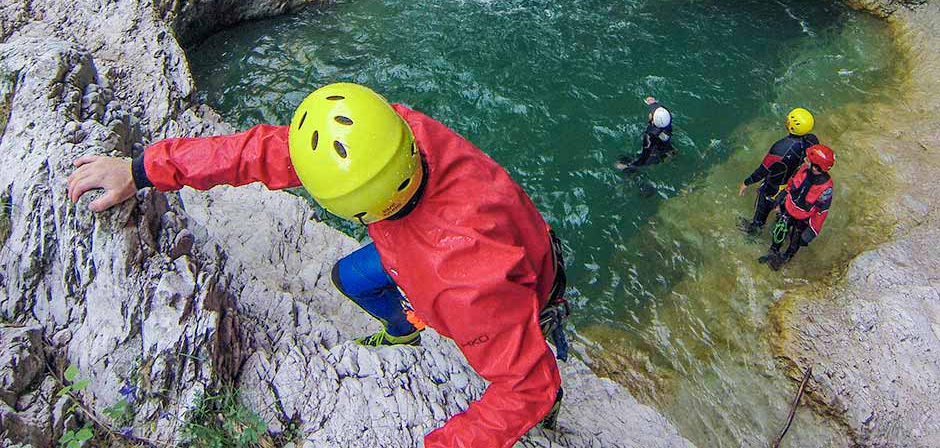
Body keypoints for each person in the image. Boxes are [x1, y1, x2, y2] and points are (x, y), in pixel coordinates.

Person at [67, 83, 570, 446]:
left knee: (532, 376)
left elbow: (527, 387)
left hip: (494, 274)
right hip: (438, 243)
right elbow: (258, 151)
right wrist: (142, 169)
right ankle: (404, 330)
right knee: (348, 277)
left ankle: (548, 391)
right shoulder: (388, 134)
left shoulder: (467, 287)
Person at [738, 107, 819, 234]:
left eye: (789, 119)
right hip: (792, 189)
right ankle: (778, 230)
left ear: (792, 126)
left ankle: (754, 231)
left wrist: (746, 182)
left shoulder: (780, 148)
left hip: (773, 189)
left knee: (760, 218)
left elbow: (762, 170)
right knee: (783, 215)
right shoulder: (812, 141)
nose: (786, 120)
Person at [759, 144, 835, 270]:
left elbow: (822, 211)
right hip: (788, 209)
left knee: (795, 241)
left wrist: (811, 232)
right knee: (779, 231)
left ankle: (784, 259)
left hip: (803, 219)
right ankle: (772, 252)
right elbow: (791, 184)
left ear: (816, 168)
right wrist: (780, 198)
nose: (805, 159)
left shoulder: (825, 189)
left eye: (808, 160)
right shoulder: (804, 169)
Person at [615, 95, 675, 170]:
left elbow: (644, 158)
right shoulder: (666, 118)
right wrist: (652, 102)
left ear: (653, 121)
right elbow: (658, 109)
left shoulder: (650, 136)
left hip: (657, 154)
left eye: (652, 114)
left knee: (621, 161)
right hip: (667, 146)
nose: (650, 113)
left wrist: (627, 166)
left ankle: (635, 177)